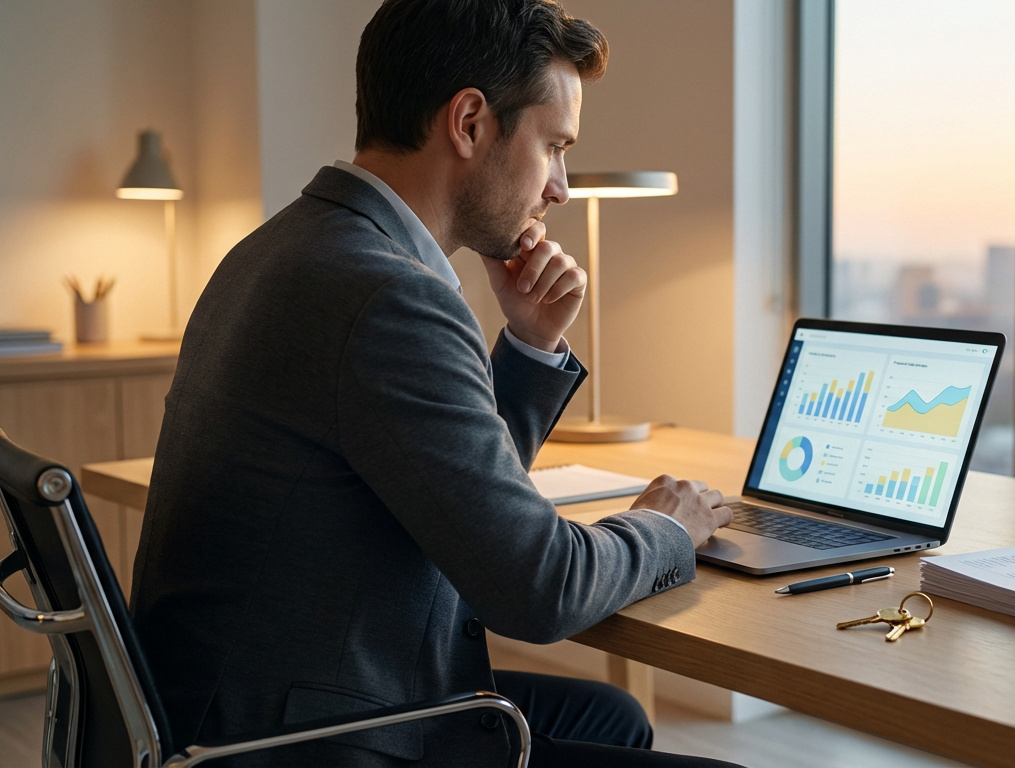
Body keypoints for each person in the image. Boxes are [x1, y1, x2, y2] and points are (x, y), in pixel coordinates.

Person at [129, 0, 741, 765]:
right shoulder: (390, 294)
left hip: (230, 697)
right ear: (470, 122)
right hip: (305, 735)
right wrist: (667, 527)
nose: (559, 188)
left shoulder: (284, 244)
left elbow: (455, 497)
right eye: (553, 146)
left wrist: (529, 342)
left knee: (610, 715)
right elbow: (537, 587)